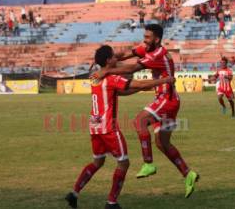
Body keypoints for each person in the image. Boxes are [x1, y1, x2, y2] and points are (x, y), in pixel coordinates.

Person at [91, 24, 199, 198]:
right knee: (162, 144)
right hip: (169, 100)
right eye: (145, 36)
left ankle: (148, 163)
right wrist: (107, 59)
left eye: (148, 37)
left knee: (139, 121)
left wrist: (107, 70)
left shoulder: (157, 54)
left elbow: (132, 68)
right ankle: (188, 174)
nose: (144, 40)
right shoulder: (147, 48)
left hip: (166, 99)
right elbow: (126, 55)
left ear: (156, 39)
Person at [65, 45, 175, 209]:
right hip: (108, 127)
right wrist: (163, 81)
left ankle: (74, 193)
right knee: (124, 163)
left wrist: (145, 87)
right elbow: (137, 84)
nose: (117, 58)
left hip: (95, 126)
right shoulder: (112, 78)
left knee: (98, 162)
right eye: (114, 56)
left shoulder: (95, 77)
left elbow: (122, 92)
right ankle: (112, 202)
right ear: (109, 60)